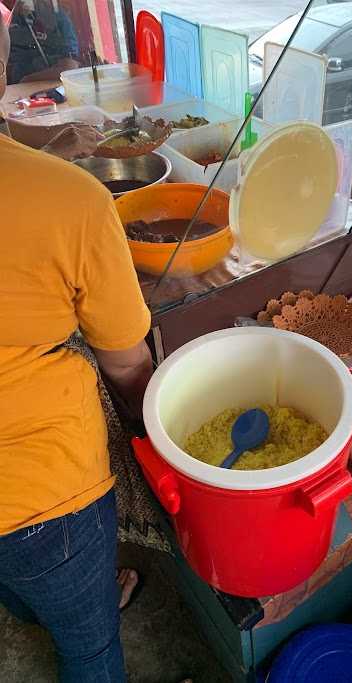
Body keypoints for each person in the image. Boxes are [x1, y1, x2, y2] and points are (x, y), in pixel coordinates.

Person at [0, 17, 154, 681]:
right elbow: (124, 361)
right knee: (90, 652)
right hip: (43, 501)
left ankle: (36, 602)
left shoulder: (54, 187)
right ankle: (72, 604)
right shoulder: (75, 204)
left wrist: (47, 155)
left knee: (19, 577)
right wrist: (161, 427)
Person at [7, 0, 79, 84]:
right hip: (15, 86)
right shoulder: (16, 19)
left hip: (49, 86)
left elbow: (70, 67)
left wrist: (28, 79)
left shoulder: (60, 20)